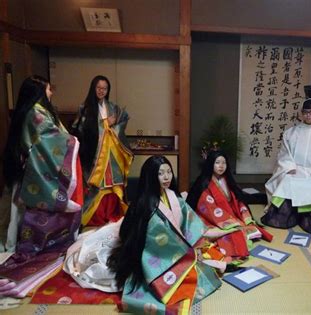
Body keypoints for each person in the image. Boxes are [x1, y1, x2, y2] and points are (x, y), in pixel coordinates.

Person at [0, 75, 83, 295]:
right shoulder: (35, 113)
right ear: (39, 91)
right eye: (48, 89)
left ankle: (21, 240)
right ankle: (22, 243)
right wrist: (72, 142)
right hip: (33, 170)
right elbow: (50, 138)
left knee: (20, 207)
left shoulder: (34, 110)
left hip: (31, 168)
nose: (51, 92)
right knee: (23, 209)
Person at [107, 155, 222, 314]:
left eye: (169, 172)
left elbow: (188, 224)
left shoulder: (174, 197)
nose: (167, 177)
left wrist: (196, 245)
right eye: (161, 173)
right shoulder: (143, 204)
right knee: (178, 280)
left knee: (202, 269)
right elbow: (145, 237)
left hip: (179, 249)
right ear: (151, 176)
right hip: (157, 255)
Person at [262, 87, 311, 235]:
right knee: (282, 201)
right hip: (294, 171)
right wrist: (290, 167)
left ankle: (307, 218)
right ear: (301, 114)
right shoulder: (291, 132)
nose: (308, 115)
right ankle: (290, 216)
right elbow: (284, 155)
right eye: (305, 112)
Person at [187, 150, 272, 265]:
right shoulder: (203, 182)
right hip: (211, 219)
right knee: (229, 235)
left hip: (229, 215)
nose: (221, 166)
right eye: (217, 162)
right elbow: (207, 206)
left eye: (224, 163)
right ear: (211, 163)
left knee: (248, 227)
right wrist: (228, 221)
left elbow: (236, 200)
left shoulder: (227, 180)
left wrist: (242, 213)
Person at [71, 75, 133, 227]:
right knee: (97, 184)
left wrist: (114, 125)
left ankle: (113, 214)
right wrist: (105, 123)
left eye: (104, 88)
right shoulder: (85, 108)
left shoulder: (113, 107)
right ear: (93, 88)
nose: (101, 91)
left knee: (113, 184)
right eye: (99, 88)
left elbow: (123, 120)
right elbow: (80, 129)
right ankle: (94, 218)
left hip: (112, 153)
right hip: (95, 153)